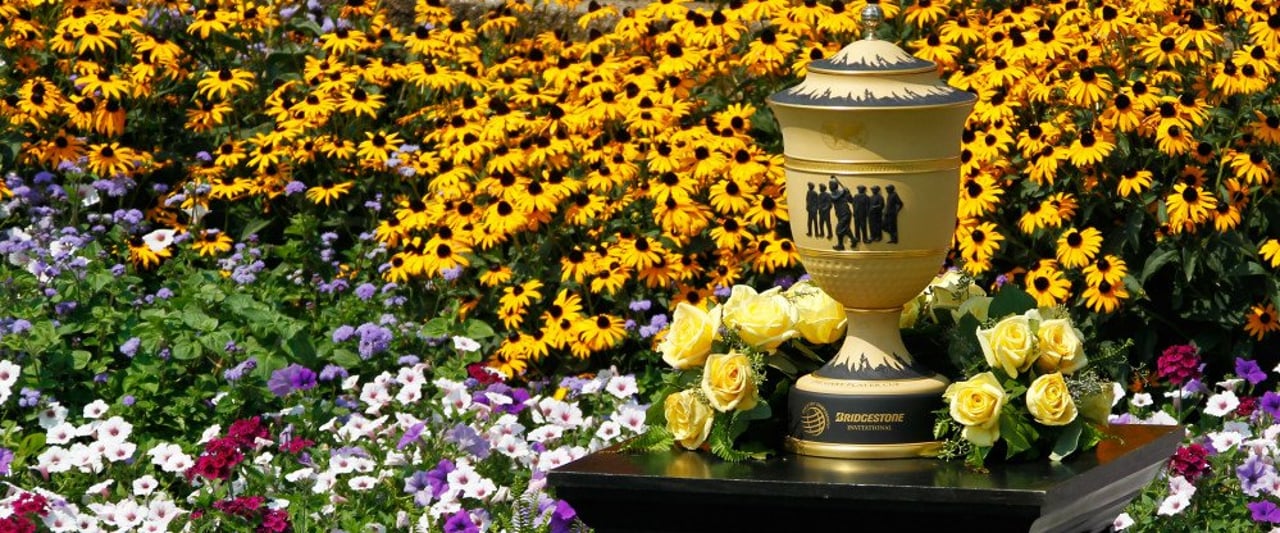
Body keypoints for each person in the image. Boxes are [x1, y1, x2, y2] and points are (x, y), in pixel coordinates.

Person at [829, 177, 856, 251]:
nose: (829, 186)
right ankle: (853, 240)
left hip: (846, 213)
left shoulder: (842, 192)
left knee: (839, 229)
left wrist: (848, 192)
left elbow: (851, 201)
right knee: (846, 228)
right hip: (840, 214)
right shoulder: (833, 194)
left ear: (835, 186)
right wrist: (843, 192)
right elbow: (834, 198)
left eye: (830, 185)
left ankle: (840, 245)